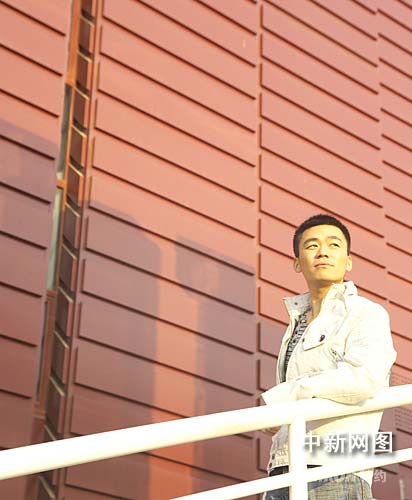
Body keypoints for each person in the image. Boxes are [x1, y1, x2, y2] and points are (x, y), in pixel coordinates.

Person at [261, 214, 397, 500]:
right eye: (312, 245)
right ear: (297, 263)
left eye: (333, 245)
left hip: (336, 467)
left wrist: (289, 395)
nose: (322, 251)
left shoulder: (364, 312)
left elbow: (364, 378)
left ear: (348, 262)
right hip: (284, 467)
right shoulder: (297, 323)